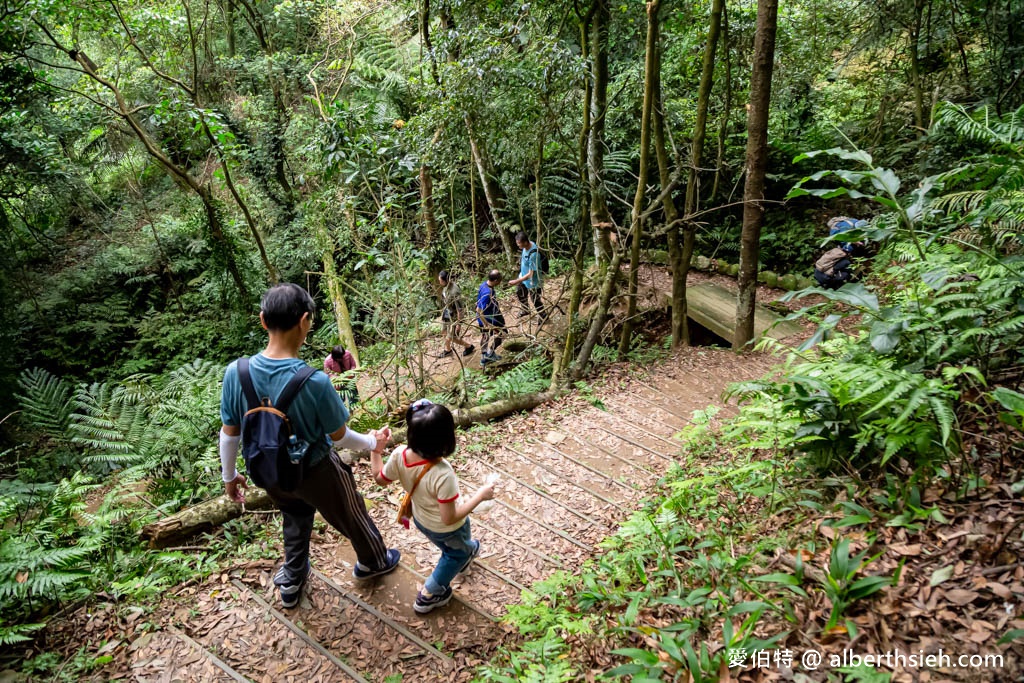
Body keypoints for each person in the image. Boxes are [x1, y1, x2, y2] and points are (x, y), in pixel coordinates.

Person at [219, 283, 400, 609]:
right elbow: (341, 437)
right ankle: (375, 560)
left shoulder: (237, 372)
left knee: (294, 516)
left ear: (263, 320)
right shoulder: (314, 381)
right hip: (316, 470)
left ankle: (292, 577)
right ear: (305, 321)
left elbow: (229, 432)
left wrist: (229, 476)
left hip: (267, 469)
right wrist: (375, 442)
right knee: (351, 513)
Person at [371, 399, 494, 613]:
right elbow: (450, 517)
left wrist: (376, 449)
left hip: (421, 519)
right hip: (447, 527)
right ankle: (431, 593)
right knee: (455, 553)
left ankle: (465, 554)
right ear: (446, 439)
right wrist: (479, 496)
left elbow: (379, 479)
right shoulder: (442, 473)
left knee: (454, 546)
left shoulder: (399, 454)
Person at [508, 232, 545, 322]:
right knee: (520, 292)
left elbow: (531, 274)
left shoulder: (533, 255)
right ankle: (525, 309)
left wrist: (516, 281)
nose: (518, 245)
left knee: (535, 300)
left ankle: (543, 316)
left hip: (533, 282)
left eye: (519, 243)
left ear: (525, 242)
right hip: (523, 276)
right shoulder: (528, 245)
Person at [438, 270, 475, 358]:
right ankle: (448, 350)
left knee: (451, 336)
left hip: (454, 315)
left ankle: (469, 346)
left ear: (446, 280)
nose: (439, 283)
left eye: (441, 281)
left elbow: (460, 309)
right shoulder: (445, 286)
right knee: (444, 331)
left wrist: (459, 324)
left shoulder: (455, 292)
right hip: (447, 312)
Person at [476, 270, 506, 366]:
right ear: (496, 280)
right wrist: (486, 324)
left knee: (485, 335)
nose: (500, 282)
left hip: (490, 314)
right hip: (489, 317)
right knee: (503, 333)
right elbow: (479, 310)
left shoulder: (485, 284)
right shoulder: (487, 293)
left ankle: (484, 356)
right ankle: (490, 353)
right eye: (499, 280)